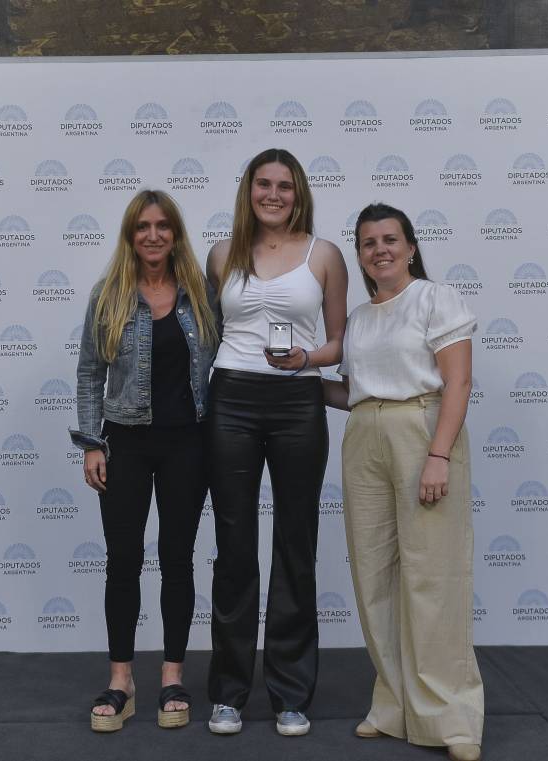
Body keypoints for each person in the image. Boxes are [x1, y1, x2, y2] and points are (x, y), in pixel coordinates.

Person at [322, 203, 484, 761]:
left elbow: (458, 383)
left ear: (411, 245)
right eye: (368, 243)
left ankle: (451, 716)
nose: (380, 250)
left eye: (390, 239)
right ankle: (393, 702)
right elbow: (356, 391)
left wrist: (438, 454)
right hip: (364, 434)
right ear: (360, 255)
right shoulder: (362, 319)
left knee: (432, 575)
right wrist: (300, 381)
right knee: (375, 575)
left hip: (422, 430)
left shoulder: (436, 299)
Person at [204, 148, 348, 736]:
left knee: (295, 543)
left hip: (297, 402)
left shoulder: (326, 255)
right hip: (231, 400)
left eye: (284, 186)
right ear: (248, 191)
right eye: (262, 184)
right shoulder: (220, 254)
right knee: (235, 545)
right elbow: (209, 335)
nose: (273, 194)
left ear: (299, 192)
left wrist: (305, 360)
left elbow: (339, 344)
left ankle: (290, 694)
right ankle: (229, 693)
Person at [71, 189, 219, 732]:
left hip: (189, 445)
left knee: (179, 560)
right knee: (123, 561)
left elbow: (226, 361)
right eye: (142, 227)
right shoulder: (108, 295)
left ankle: (172, 677)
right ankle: (121, 682)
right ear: (130, 236)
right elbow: (89, 372)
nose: (153, 235)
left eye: (163, 226)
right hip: (125, 444)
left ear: (176, 234)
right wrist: (91, 442)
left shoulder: (200, 296)